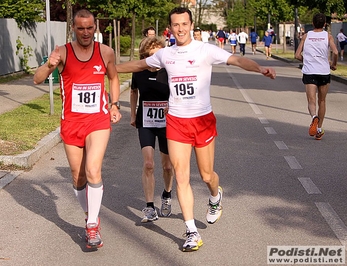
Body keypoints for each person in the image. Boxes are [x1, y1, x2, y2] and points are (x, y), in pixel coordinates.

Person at [116, 7, 276, 252]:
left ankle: (215, 197)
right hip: (177, 122)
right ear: (170, 28)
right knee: (181, 177)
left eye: (184, 24)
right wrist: (105, 68)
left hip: (202, 121)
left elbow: (236, 60)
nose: (180, 29)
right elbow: (137, 65)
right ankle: (191, 231)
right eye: (176, 25)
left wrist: (260, 68)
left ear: (191, 25)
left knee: (206, 175)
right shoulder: (165, 55)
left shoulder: (205, 50)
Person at [33, 8, 122, 249]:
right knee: (78, 176)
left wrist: (114, 104)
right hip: (71, 123)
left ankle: (92, 225)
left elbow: (113, 78)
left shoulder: (106, 52)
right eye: (80, 28)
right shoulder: (62, 52)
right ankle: (90, 215)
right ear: (73, 28)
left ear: (96, 27)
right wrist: (50, 64)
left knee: (93, 169)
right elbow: (37, 79)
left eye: (89, 28)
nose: (85, 32)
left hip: (98, 121)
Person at [130, 37, 175, 223]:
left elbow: (176, 93)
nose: (156, 55)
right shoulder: (139, 72)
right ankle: (149, 207)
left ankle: (167, 194)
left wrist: (172, 108)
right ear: (145, 54)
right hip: (146, 122)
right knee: (149, 164)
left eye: (159, 52)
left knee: (167, 165)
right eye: (152, 52)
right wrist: (132, 115)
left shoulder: (169, 72)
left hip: (166, 123)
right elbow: (133, 92)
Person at [295, 13, 338, 140]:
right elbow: (335, 51)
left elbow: (297, 55)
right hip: (324, 72)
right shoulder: (328, 36)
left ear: (313, 23)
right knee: (322, 101)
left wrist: (307, 60)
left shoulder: (306, 36)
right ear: (325, 24)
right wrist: (333, 64)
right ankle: (319, 128)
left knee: (311, 101)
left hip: (310, 72)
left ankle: (314, 117)